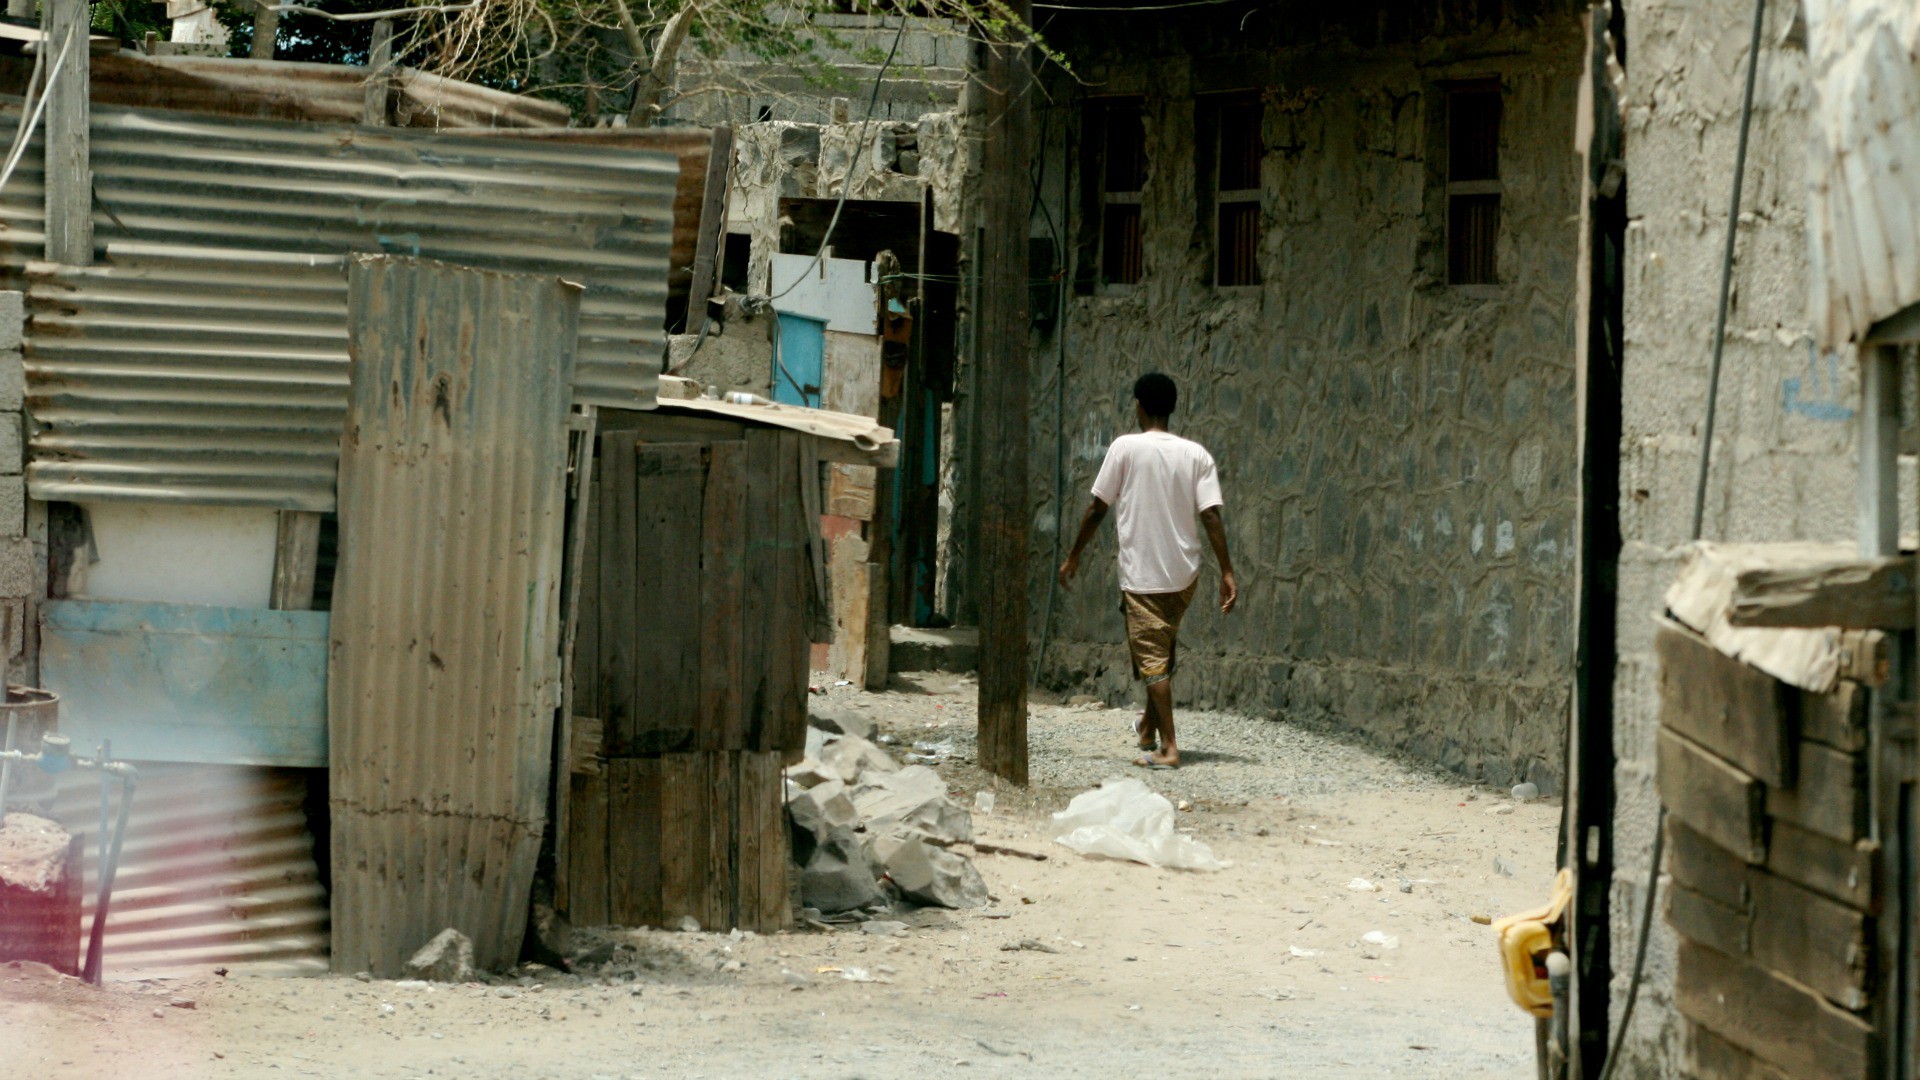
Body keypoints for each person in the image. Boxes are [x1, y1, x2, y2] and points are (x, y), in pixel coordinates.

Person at [1058, 372, 1236, 768]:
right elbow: (1211, 515)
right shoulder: (1197, 455)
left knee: (1153, 659)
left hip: (1143, 574)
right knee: (1161, 645)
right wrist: (1226, 571)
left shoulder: (1125, 447)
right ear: (1171, 408)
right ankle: (1147, 729)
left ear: (1138, 405)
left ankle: (1170, 747)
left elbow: (1098, 507)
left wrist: (1073, 555)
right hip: (1184, 574)